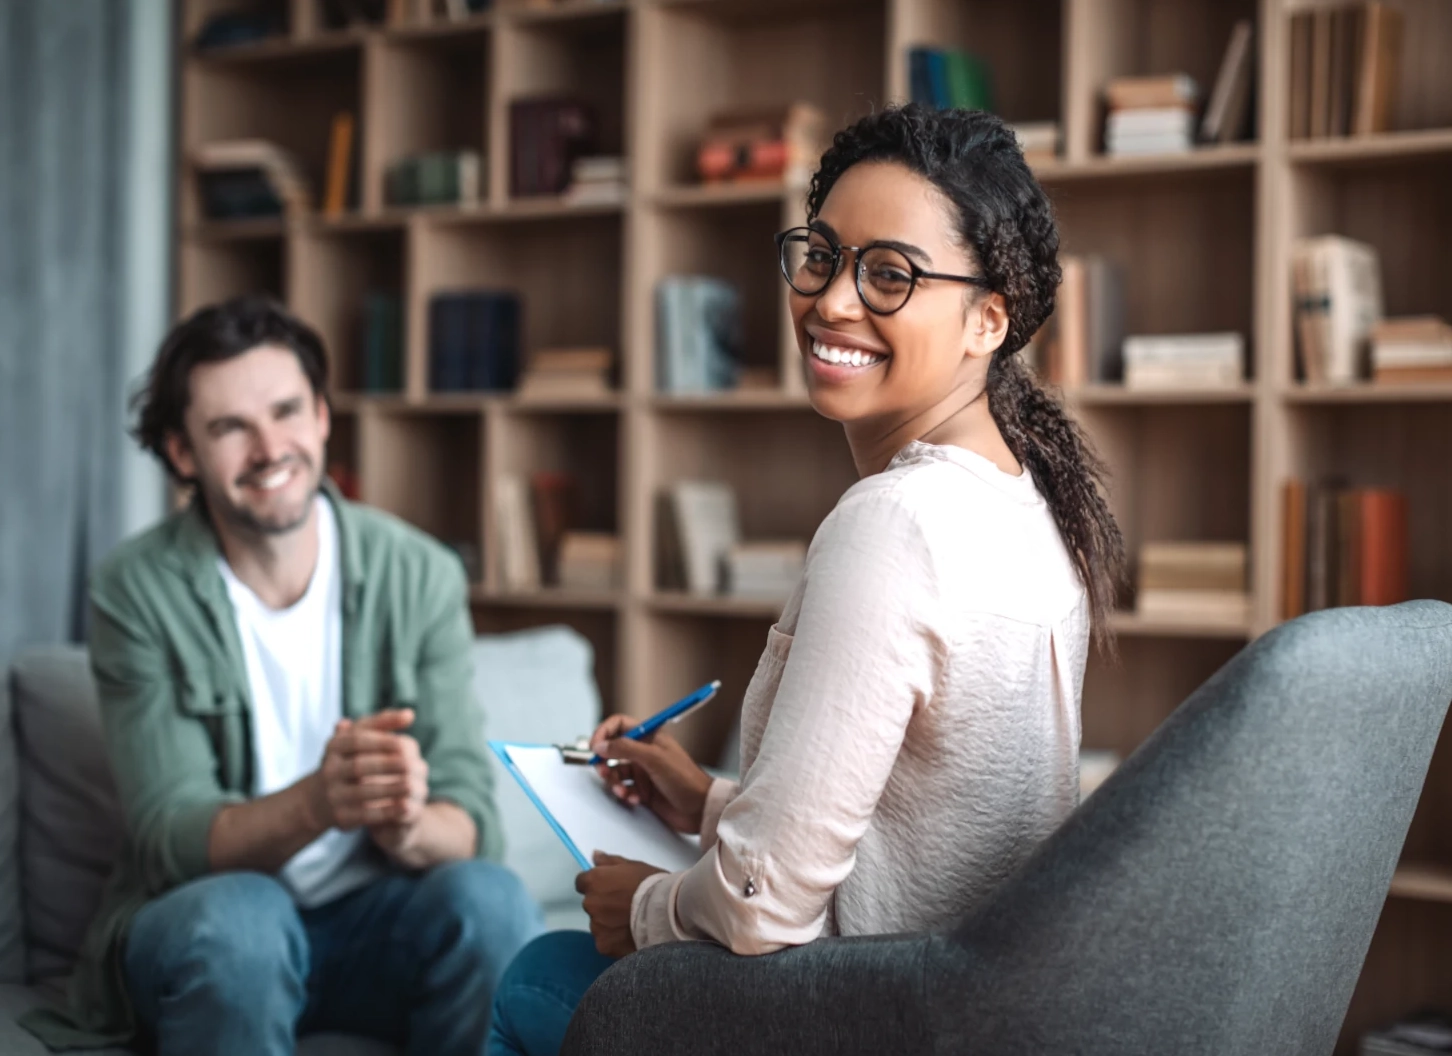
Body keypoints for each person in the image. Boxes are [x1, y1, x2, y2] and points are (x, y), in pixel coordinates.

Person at [486, 103, 1126, 1056]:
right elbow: (910, 838)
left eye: (890, 275)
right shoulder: (1025, 504)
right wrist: (706, 802)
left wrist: (646, 910)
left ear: (988, 319)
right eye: (822, 255)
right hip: (970, 1012)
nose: (831, 301)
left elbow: (760, 907)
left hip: (863, 1019)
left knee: (538, 975)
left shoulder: (895, 524)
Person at [21, 297, 544, 1056]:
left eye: (286, 411)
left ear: (324, 417)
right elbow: (171, 837)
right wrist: (320, 803)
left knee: (493, 902)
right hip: (206, 926)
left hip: (375, 926)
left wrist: (405, 825)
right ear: (181, 453)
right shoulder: (136, 589)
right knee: (244, 923)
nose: (270, 448)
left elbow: (472, 823)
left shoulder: (419, 572)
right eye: (230, 427)